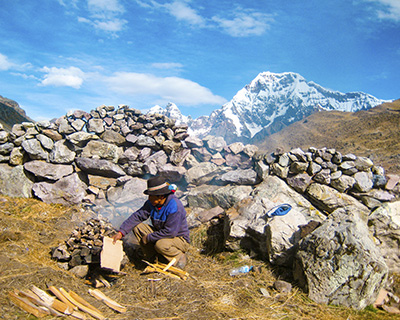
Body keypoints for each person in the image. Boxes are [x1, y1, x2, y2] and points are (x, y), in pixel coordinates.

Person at [112, 176, 190, 269]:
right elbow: (137, 216)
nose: (149, 198)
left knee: (161, 245)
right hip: (162, 234)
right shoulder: (152, 203)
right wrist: (121, 232)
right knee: (138, 227)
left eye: (151, 196)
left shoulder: (175, 207)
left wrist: (149, 237)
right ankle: (153, 258)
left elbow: (170, 232)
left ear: (160, 196)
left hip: (178, 239)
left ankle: (178, 257)